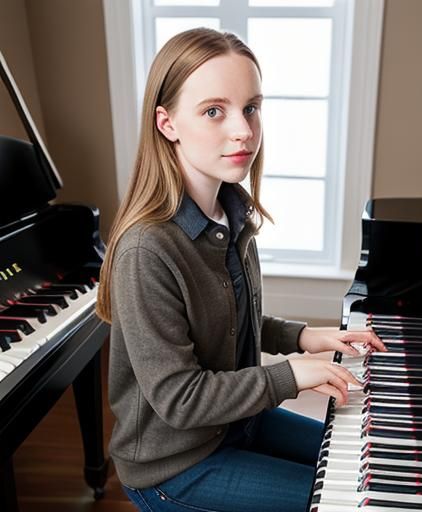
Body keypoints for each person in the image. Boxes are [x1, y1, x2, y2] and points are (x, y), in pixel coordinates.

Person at [96, 27, 385, 512]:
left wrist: (301, 337)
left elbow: (225, 325)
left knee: (361, 465)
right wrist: (290, 375)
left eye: (251, 108)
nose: (243, 130)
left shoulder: (231, 215)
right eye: (214, 111)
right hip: (175, 466)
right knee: (346, 504)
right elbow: (180, 398)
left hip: (236, 422)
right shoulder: (148, 250)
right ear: (167, 124)